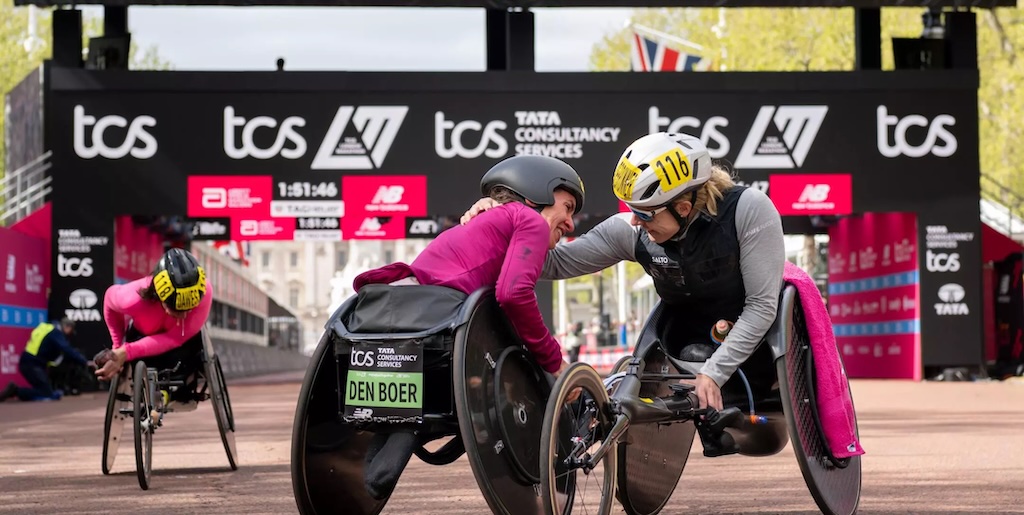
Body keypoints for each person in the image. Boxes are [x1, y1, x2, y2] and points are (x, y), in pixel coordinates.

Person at [461, 132, 786, 412]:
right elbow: (553, 262)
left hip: (757, 351)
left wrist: (714, 372)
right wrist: (498, 221)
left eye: (644, 213)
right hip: (682, 345)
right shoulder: (630, 232)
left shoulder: (749, 209)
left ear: (682, 208)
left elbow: (762, 306)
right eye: (631, 210)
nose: (634, 221)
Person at [352, 154, 585, 500]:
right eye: (567, 207)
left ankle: (400, 430)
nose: (570, 223)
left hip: (396, 314)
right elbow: (514, 294)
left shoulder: (484, 222)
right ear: (537, 194)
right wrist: (555, 362)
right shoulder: (530, 221)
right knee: (535, 361)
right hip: (440, 325)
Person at [93, 248, 213, 409]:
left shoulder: (204, 293)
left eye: (189, 308)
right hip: (141, 337)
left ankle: (179, 392)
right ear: (159, 296)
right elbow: (109, 300)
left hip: (181, 344)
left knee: (192, 350)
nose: (184, 315)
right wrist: (117, 349)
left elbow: (174, 339)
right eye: (176, 309)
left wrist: (124, 352)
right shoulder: (132, 298)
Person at [0, 318, 91, 402]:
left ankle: (16, 391)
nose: (69, 335)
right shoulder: (55, 332)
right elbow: (67, 349)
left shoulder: (46, 327)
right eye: (70, 331)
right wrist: (84, 361)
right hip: (33, 364)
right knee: (47, 394)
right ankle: (15, 391)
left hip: (29, 362)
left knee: (45, 391)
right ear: (67, 327)